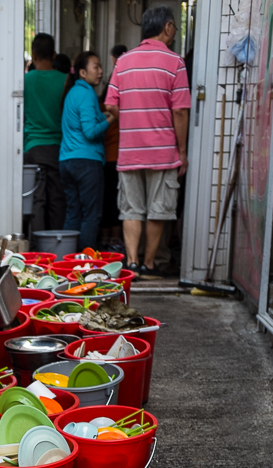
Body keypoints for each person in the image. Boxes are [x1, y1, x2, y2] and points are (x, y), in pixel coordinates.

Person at [104, 5, 191, 277]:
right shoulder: (175, 62)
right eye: (174, 26)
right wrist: (183, 152)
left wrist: (133, 120)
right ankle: (149, 264)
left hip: (130, 151)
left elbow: (110, 104)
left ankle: (132, 263)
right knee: (158, 210)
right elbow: (180, 111)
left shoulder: (123, 61)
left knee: (130, 209)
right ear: (167, 27)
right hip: (163, 152)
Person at [59, 52, 114, 251]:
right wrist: (112, 119)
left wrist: (103, 116)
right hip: (86, 162)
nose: (100, 71)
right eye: (96, 67)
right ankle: (86, 262)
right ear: (82, 72)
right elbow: (90, 132)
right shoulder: (87, 94)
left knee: (74, 213)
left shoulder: (73, 92)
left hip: (67, 161)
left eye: (100, 67)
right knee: (91, 215)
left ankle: (68, 258)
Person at [24, 33, 69, 232]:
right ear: (54, 55)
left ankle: (37, 245)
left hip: (33, 147)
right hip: (59, 148)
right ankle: (57, 243)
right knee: (57, 199)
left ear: (33, 54)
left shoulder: (25, 81)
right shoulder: (66, 80)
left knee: (37, 199)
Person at [100, 44, 127, 248]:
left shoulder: (102, 103)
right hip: (118, 156)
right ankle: (115, 241)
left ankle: (106, 240)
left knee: (106, 200)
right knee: (118, 201)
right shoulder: (124, 100)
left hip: (106, 157)